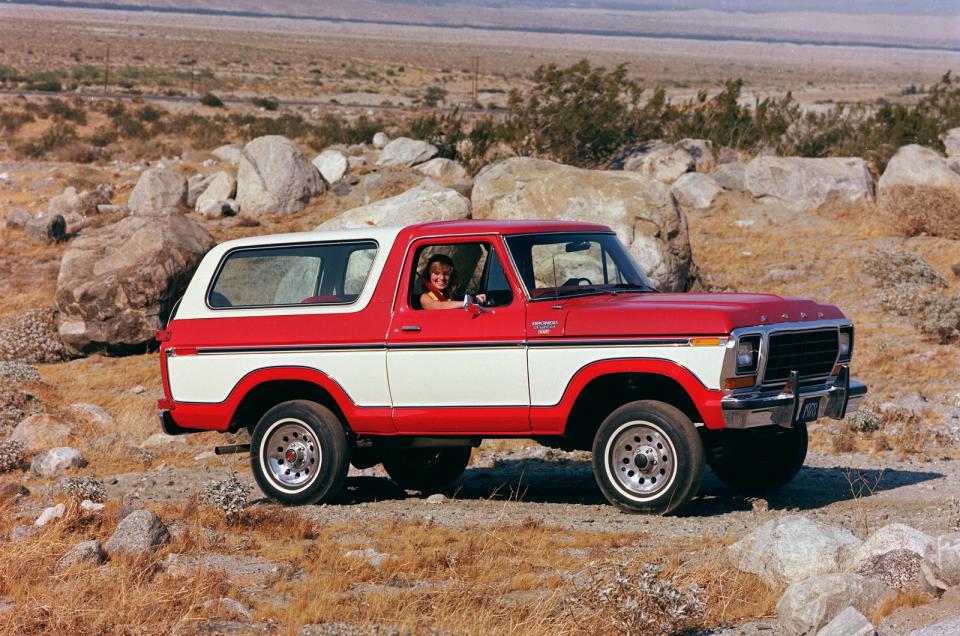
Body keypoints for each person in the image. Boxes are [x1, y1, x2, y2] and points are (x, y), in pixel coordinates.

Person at [419, 253, 486, 310]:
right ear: (429, 274)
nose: (442, 278)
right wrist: (465, 303)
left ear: (451, 276)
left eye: (446, 274)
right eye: (436, 273)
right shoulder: (425, 297)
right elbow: (435, 306)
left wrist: (476, 299)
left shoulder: (452, 296)